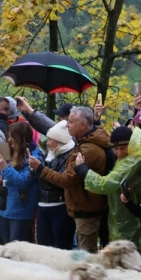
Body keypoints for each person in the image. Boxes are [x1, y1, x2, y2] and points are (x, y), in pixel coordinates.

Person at [30, 106, 111, 253]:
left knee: (86, 256)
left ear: (83, 125)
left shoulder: (88, 149)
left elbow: (68, 179)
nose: (67, 124)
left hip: (87, 209)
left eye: (71, 122)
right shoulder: (82, 142)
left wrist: (41, 169)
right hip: (80, 207)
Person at [78, 125, 141, 267]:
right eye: (115, 149)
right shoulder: (129, 156)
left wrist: (83, 170)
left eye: (123, 148)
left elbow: (106, 184)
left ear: (131, 144)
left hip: (132, 220)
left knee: (131, 259)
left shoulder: (134, 160)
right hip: (121, 217)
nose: (118, 153)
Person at [0, 121, 41, 243]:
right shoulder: (9, 152)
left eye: (12, 137)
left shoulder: (33, 156)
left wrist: (6, 167)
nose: (9, 140)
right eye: (8, 136)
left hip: (20, 210)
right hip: (4, 206)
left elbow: (24, 181)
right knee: (5, 245)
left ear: (21, 138)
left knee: (15, 248)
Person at [34, 121, 77, 250]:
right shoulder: (50, 154)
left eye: (51, 140)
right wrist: (35, 171)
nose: (48, 143)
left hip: (60, 207)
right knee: (43, 247)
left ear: (60, 141)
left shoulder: (70, 156)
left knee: (61, 247)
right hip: (43, 205)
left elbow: (60, 180)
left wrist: (40, 169)